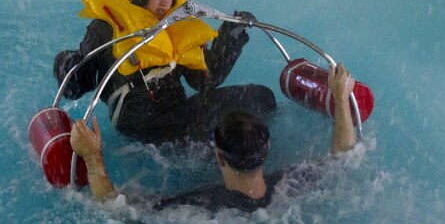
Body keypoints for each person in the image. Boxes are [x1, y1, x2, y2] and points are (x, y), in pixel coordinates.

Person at [54, 0, 276, 144]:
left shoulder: (175, 22)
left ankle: (229, 154)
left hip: (177, 114)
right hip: (139, 123)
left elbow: (203, 80)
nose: (164, 1)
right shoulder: (106, 28)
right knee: (228, 127)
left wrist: (230, 37)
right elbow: (78, 86)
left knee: (261, 99)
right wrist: (67, 65)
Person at [70, 62, 357, 212]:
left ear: (218, 155)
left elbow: (113, 208)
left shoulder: (201, 207)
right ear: (267, 148)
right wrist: (341, 99)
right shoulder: (291, 186)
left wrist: (91, 156)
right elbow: (345, 158)